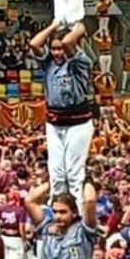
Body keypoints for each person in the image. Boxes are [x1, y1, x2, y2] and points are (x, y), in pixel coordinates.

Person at [30, 21, 93, 210]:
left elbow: (68, 43)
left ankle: (77, 211)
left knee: (73, 173)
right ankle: (56, 209)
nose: (58, 53)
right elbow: (34, 44)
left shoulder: (80, 61)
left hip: (77, 121)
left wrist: (79, 27)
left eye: (60, 49)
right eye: (54, 49)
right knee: (56, 172)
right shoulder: (49, 63)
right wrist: (52, 25)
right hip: (54, 121)